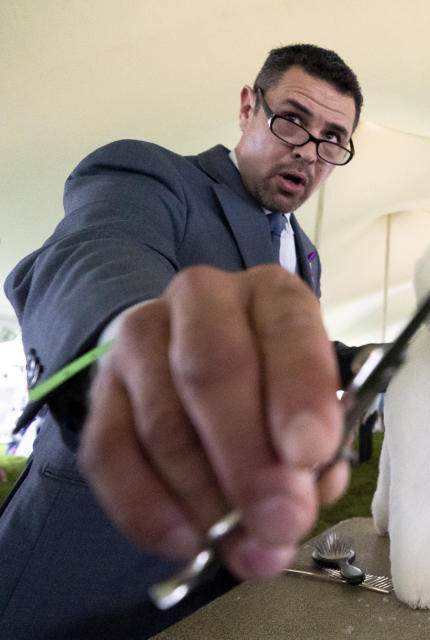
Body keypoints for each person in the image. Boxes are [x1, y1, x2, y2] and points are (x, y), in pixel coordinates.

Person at [0, 44, 366, 638]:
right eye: (293, 118)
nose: (308, 148)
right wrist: (134, 342)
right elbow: (96, 255)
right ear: (249, 106)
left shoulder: (304, 253)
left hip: (218, 588)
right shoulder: (152, 177)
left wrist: (355, 362)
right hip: (82, 568)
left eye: (332, 138)